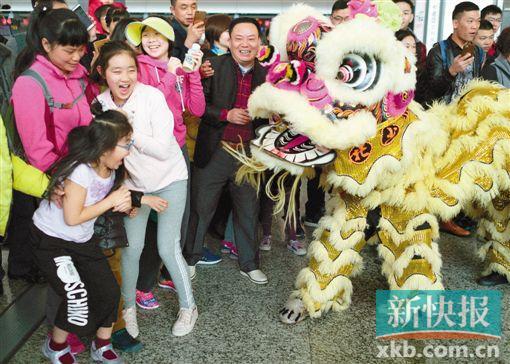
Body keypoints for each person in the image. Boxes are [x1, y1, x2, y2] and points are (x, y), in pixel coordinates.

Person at [92, 41, 198, 337]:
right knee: (131, 249)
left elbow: (164, 149)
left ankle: (189, 307)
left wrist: (124, 129)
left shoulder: (152, 96)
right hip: (134, 188)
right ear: (103, 72)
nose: (124, 78)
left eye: (130, 70)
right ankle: (127, 311)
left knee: (167, 246)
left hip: (171, 179)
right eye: (116, 71)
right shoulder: (100, 105)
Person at [30, 110, 132, 364]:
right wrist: (111, 201)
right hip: (51, 240)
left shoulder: (113, 169)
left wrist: (129, 201)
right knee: (76, 294)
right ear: (105, 147)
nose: (129, 151)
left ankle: (102, 343)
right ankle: (55, 346)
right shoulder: (80, 172)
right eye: (126, 144)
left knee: (109, 290)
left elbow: (118, 198)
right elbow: (72, 218)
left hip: (82, 239)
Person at [124, 16, 205, 309]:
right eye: (146, 34)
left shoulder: (177, 66)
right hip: (144, 153)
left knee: (174, 222)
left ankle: (161, 271)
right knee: (145, 222)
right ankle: (142, 285)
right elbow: (149, 105)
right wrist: (172, 74)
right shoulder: (139, 68)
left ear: (170, 39)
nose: (152, 39)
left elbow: (196, 108)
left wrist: (191, 74)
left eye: (158, 34)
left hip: (176, 148)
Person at [185, 17, 268, 284]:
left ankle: (249, 263)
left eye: (251, 38)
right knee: (201, 208)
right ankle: (190, 259)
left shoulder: (267, 77)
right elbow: (197, 107)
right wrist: (226, 114)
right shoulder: (211, 68)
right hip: (215, 151)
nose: (245, 44)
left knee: (248, 210)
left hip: (249, 155)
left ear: (260, 43)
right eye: (239, 38)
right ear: (229, 41)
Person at [422, 1, 483, 238]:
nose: (474, 26)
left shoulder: (477, 51)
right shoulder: (439, 51)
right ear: (456, 23)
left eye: (477, 21)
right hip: (441, 120)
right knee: (435, 170)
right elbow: (430, 91)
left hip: (465, 119)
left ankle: (450, 215)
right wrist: (452, 71)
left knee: (456, 169)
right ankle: (431, 216)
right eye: (470, 21)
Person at [393, 0, 427, 71]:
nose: (401, 16)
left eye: (405, 13)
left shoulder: (420, 47)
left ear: (411, 17)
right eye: (396, 12)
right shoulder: (381, 39)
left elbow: (420, 75)